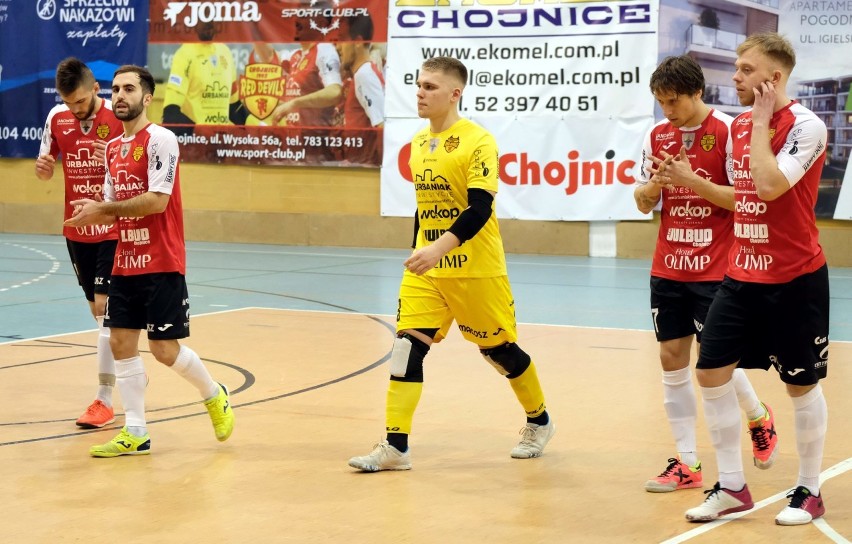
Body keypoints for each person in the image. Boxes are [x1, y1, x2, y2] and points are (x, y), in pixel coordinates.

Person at [348, 56, 554, 472]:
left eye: (430, 87)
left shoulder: (478, 141)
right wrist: (418, 251)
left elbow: (480, 208)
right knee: (406, 349)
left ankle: (539, 420)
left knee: (498, 353)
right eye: (419, 85)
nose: (420, 93)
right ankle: (395, 447)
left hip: (476, 269)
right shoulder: (420, 144)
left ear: (454, 93)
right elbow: (426, 209)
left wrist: (438, 248)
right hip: (429, 272)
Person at [678, 33, 830, 525]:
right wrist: (693, 183)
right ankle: (732, 487)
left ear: (774, 78)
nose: (736, 77)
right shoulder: (739, 125)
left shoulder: (806, 126)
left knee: (799, 385)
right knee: (710, 371)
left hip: (795, 278)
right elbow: (739, 195)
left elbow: (767, 186)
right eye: (738, 68)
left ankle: (809, 488)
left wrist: (763, 121)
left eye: (746, 69)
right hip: (741, 274)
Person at [64, 65, 235, 457]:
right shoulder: (112, 149)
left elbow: (157, 202)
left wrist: (104, 207)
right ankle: (135, 430)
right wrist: (94, 212)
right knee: (122, 343)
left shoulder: (162, 140)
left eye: (129, 89)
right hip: (126, 261)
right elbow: (112, 208)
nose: (120, 96)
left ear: (147, 97)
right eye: (115, 90)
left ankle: (214, 394)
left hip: (162, 261)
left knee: (164, 350)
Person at [634, 56, 778, 493]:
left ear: (697, 92)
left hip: (718, 268)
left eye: (673, 100)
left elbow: (745, 200)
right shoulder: (657, 135)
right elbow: (642, 202)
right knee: (670, 359)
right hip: (668, 266)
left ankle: (758, 416)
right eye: (660, 101)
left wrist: (690, 180)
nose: (667, 110)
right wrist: (657, 184)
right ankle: (687, 462)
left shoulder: (731, 131)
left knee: (716, 360)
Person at [35, 57, 124, 429]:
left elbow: (141, 169)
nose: (76, 110)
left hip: (111, 226)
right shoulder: (57, 118)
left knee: (105, 307)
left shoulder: (119, 119)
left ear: (95, 90)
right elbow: (46, 159)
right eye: (69, 103)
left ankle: (104, 399)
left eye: (81, 102)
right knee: (97, 312)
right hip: (77, 230)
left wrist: (114, 160)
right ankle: (132, 374)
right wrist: (44, 168)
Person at [255, 10, 343, 127]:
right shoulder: (295, 56)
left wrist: (294, 103)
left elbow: (335, 92)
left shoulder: (324, 49)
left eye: (303, 16)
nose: (297, 21)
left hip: (316, 140)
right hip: (295, 140)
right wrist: (252, 24)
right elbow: (269, 56)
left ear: (320, 23)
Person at [162, 21, 246, 127]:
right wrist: (200, 135)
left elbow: (234, 107)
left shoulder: (225, 52)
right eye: (203, 16)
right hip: (196, 140)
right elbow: (170, 114)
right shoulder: (184, 54)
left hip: (221, 140)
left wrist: (260, 130)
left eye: (211, 17)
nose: (208, 23)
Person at [336, 14, 384, 165]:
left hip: (363, 169)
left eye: (343, 39)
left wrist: (371, 166)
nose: (338, 47)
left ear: (357, 41)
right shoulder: (363, 73)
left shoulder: (365, 74)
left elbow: (382, 127)